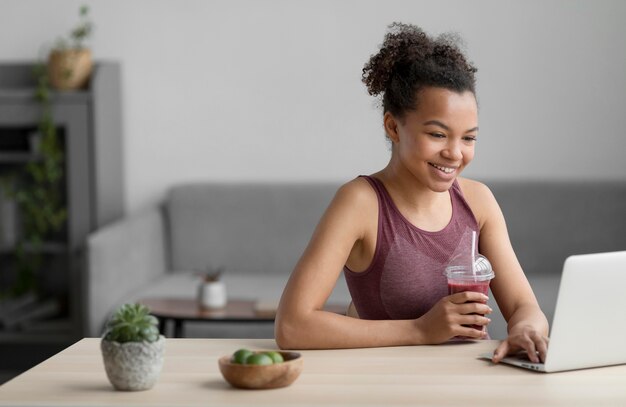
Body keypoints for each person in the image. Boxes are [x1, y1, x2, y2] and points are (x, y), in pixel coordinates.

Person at [274, 22, 549, 364]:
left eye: (469, 138)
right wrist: (419, 331)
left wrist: (527, 329)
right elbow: (292, 326)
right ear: (393, 126)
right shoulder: (360, 202)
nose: (454, 153)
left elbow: (526, 307)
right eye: (437, 134)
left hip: (474, 379)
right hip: (391, 383)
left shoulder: (478, 202)